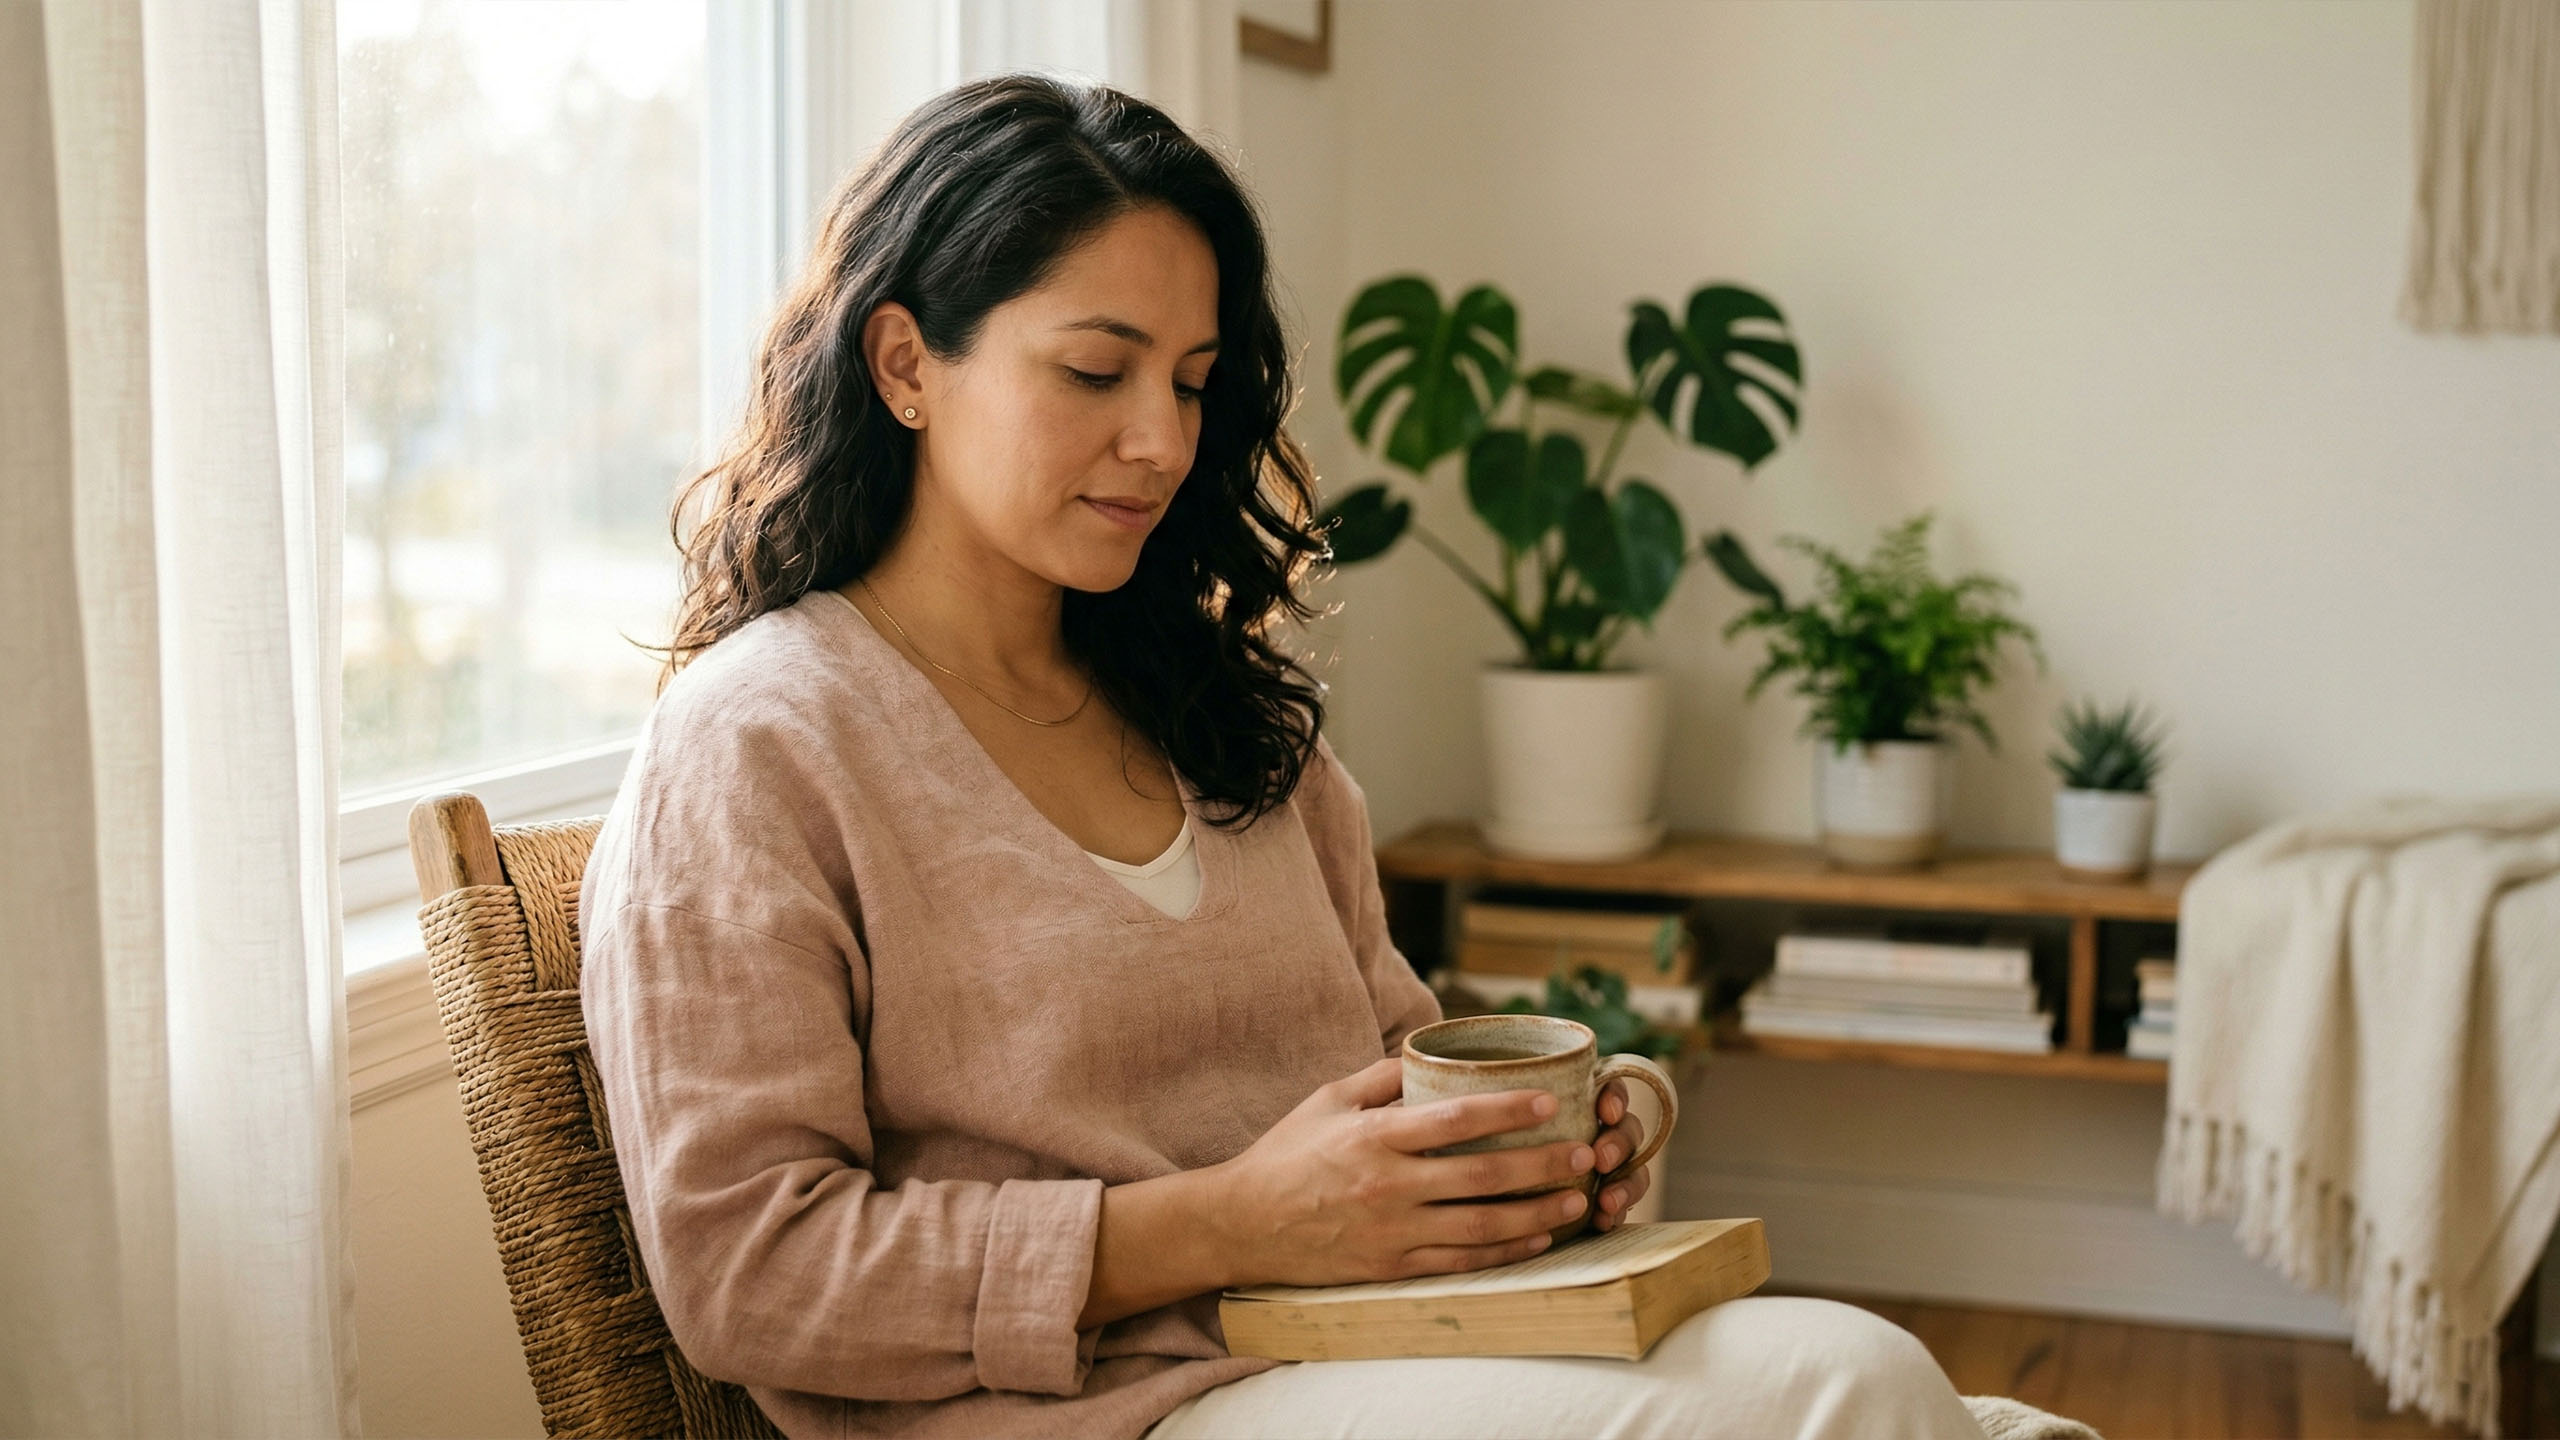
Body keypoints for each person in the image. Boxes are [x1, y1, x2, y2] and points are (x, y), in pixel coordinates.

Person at [578, 71, 1988, 1440]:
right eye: (1094, 371)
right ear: (905, 366)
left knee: (1858, 1374)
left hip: (1390, 1348)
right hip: (1108, 1414)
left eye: (1192, 384)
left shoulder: (1216, 712)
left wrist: (1526, 1156)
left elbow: (1394, 1062)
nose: (1161, 441)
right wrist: (1227, 1225)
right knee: (1849, 1389)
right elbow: (749, 1274)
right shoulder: (757, 746)